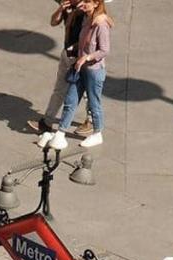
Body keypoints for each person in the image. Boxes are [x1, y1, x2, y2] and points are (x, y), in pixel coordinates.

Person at [38, 0, 112, 150]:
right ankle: (61, 132)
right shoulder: (86, 17)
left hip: (93, 70)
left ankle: (97, 132)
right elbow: (81, 40)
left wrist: (86, 57)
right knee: (71, 100)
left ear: (96, 3)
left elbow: (104, 50)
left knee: (93, 101)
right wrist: (76, 50)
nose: (83, 4)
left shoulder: (99, 22)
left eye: (86, 1)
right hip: (78, 66)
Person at [32, 0, 92, 137]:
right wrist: (60, 10)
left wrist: (76, 49)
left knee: (85, 92)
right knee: (59, 89)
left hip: (79, 57)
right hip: (66, 54)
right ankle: (47, 122)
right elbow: (53, 22)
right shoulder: (68, 6)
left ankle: (91, 121)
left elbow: (89, 36)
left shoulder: (86, 10)